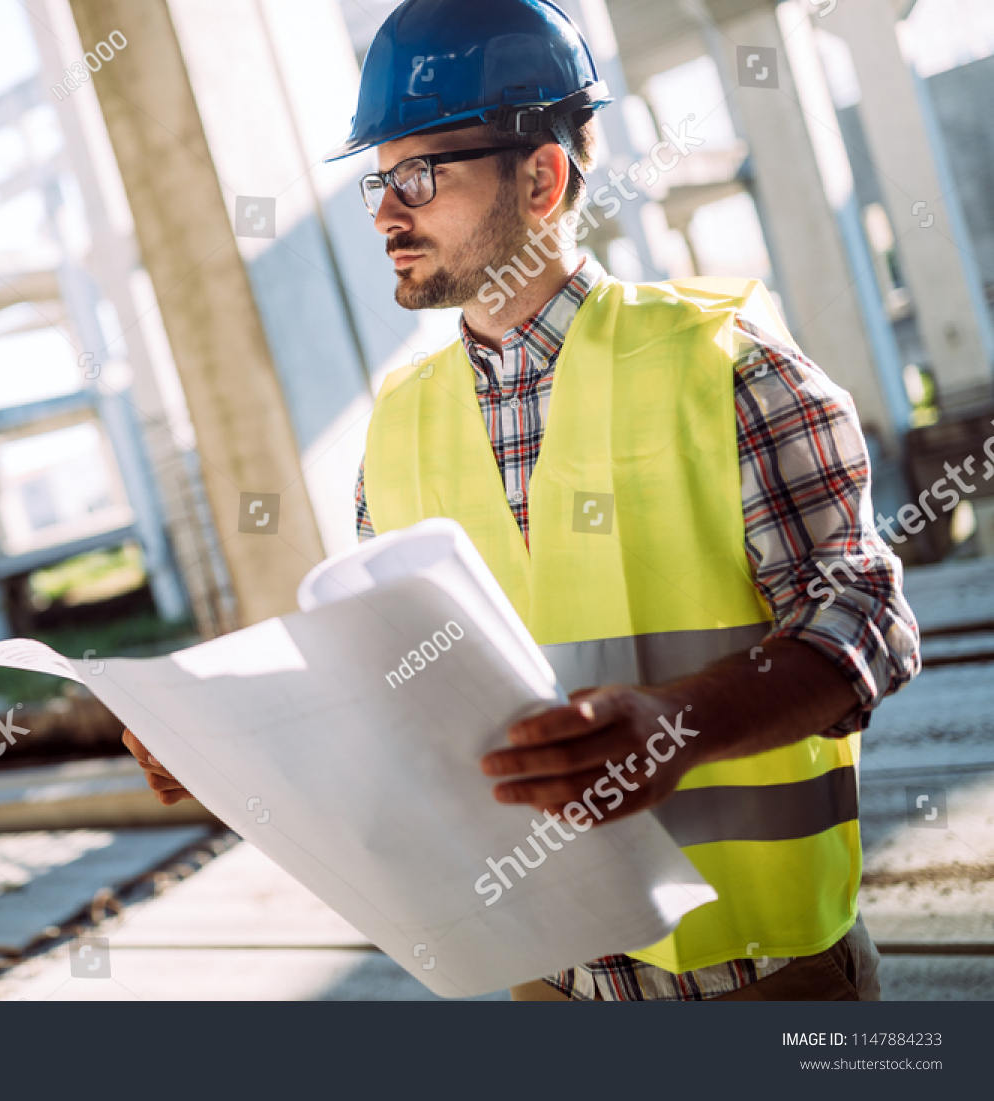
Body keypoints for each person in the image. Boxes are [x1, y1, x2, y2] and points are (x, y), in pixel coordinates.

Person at [125, 0, 919, 1001]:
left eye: (419, 175)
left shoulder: (727, 368)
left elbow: (871, 626)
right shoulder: (402, 424)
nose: (383, 213)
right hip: (543, 985)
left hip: (758, 979)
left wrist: (675, 727)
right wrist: (234, 753)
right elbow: (392, 698)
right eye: (379, 178)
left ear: (541, 178)